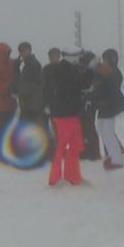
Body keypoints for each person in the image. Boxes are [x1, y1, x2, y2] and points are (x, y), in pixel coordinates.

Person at [47, 51, 86, 187]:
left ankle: (72, 176)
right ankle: (57, 178)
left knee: (74, 145)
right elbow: (75, 87)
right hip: (66, 114)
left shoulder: (65, 69)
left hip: (68, 113)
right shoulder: (65, 70)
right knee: (63, 145)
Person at [92, 48, 124, 171]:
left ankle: (117, 160)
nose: (106, 61)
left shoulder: (114, 72)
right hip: (103, 105)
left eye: (107, 59)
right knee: (102, 130)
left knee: (108, 132)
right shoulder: (108, 71)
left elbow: (111, 85)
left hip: (109, 105)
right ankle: (112, 155)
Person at [76, 51, 102, 161]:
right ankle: (88, 151)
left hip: (89, 102)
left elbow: (88, 85)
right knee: (85, 127)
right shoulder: (92, 70)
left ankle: (93, 152)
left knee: (89, 126)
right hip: (86, 101)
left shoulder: (92, 72)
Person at [14, 42, 46, 126]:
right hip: (27, 105)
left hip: (33, 106)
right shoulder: (24, 64)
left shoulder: (33, 64)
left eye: (25, 50)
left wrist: (16, 70)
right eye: (21, 51)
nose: (23, 53)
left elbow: (25, 85)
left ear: (30, 50)